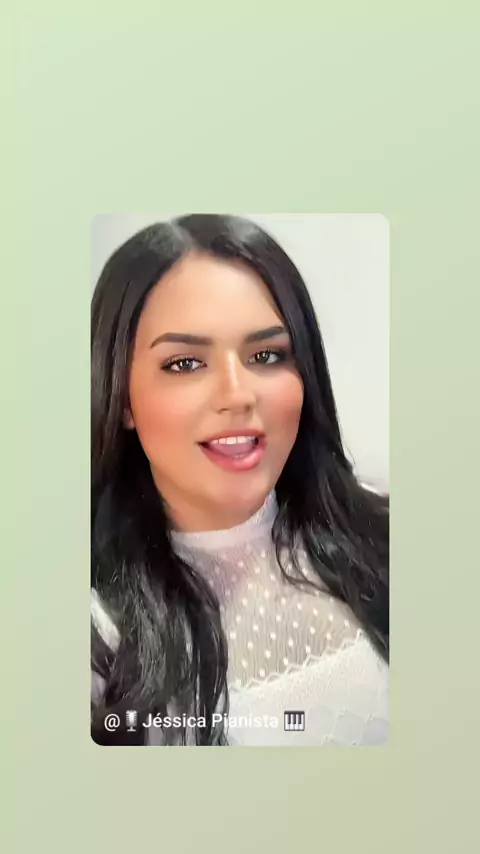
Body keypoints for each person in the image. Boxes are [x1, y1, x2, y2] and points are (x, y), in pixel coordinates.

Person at [91, 213, 389, 746]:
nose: (237, 394)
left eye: (266, 355)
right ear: (122, 398)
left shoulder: (390, 538)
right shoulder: (92, 627)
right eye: (185, 363)